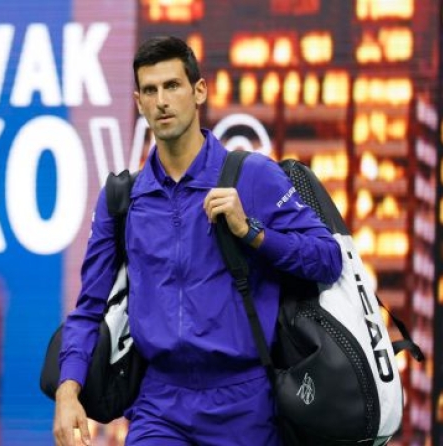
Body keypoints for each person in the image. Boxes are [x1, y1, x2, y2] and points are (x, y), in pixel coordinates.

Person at [53, 35, 343, 446]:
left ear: (199, 91)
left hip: (246, 405)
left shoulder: (253, 176)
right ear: (138, 102)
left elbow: (328, 259)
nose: (161, 101)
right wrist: (68, 392)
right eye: (150, 90)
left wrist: (252, 233)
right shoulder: (123, 198)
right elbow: (89, 308)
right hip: (160, 404)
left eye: (172, 85)